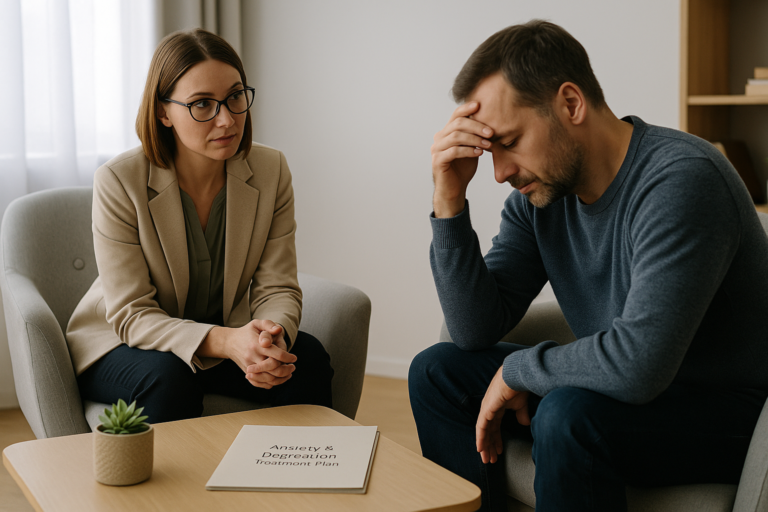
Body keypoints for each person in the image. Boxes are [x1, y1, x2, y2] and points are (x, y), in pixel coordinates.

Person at [408, 19, 768, 512]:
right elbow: (471, 329)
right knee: (435, 370)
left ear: (570, 104)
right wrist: (448, 198)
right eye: (489, 152)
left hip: (724, 413)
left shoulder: (682, 180)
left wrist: (519, 370)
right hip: (623, 395)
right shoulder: (540, 199)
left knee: (567, 413)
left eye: (509, 142)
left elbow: (639, 364)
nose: (499, 173)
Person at [66, 29, 333, 423]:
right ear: (162, 112)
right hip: (122, 342)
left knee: (304, 359)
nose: (226, 119)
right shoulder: (119, 180)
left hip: (218, 337)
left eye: (235, 96)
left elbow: (277, 285)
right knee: (170, 377)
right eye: (202, 104)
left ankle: (302, 480)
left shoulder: (270, 169)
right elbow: (132, 314)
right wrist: (228, 342)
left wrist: (268, 338)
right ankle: (171, 488)